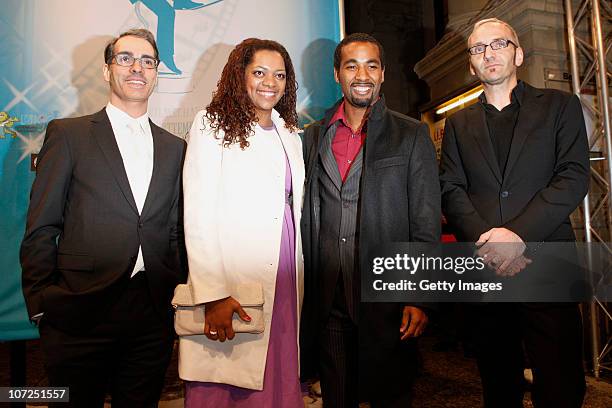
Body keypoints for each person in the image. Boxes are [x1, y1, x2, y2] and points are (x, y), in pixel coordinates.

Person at [20, 29, 185, 407]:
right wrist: (43, 303)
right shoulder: (69, 134)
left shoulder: (176, 147)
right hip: (79, 311)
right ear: (107, 70)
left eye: (147, 61)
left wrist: (173, 293)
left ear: (157, 73)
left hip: (150, 314)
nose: (137, 68)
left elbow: (173, 230)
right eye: (125, 58)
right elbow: (42, 225)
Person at [440, 18, 588, 408]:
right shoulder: (457, 124)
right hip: (487, 266)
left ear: (518, 53)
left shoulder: (560, 106)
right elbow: (450, 188)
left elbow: (573, 177)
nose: (489, 53)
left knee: (560, 381)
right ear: (471, 64)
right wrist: (490, 242)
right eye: (478, 48)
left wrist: (516, 235)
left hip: (548, 262)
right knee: (497, 380)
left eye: (499, 44)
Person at [300, 33, 441, 407]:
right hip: (328, 298)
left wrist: (420, 296)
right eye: (351, 65)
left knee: (391, 396)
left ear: (383, 75)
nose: (362, 74)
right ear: (336, 74)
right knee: (337, 398)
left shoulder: (411, 134)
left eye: (371, 65)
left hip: (388, 300)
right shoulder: (312, 137)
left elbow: (425, 222)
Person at [179, 38, 305, 408]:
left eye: (280, 75)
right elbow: (198, 211)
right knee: (226, 375)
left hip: (283, 267)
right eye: (260, 72)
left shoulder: (289, 132)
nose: (271, 82)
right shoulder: (212, 123)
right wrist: (213, 292)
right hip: (232, 272)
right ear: (241, 75)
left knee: (277, 364)